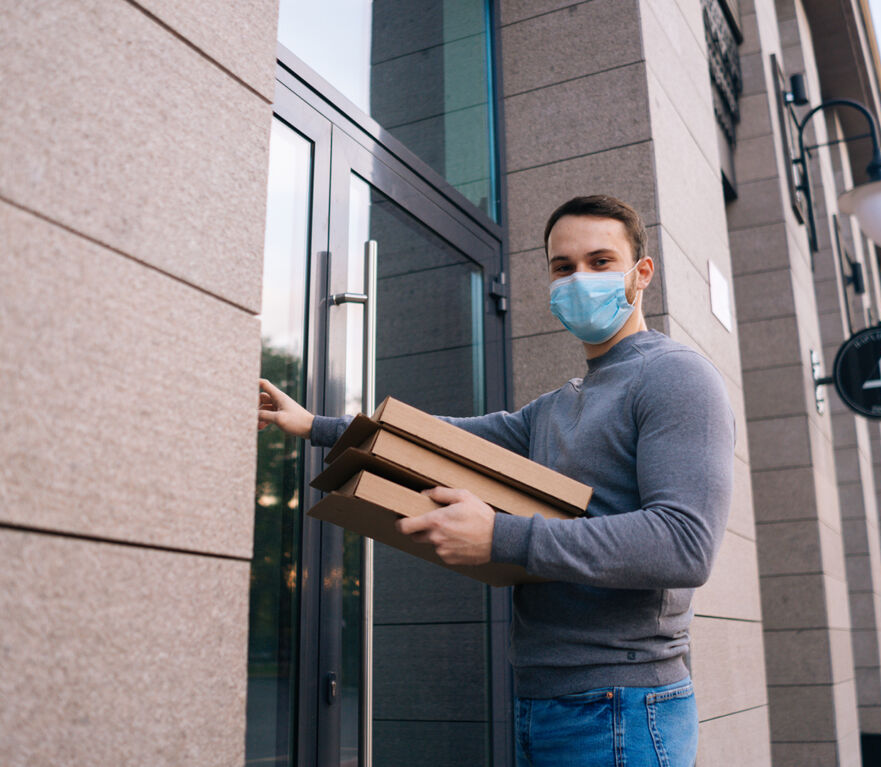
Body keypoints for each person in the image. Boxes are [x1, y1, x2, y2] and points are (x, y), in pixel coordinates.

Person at [259, 195, 735, 766]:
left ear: (642, 273)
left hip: (623, 706)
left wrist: (500, 536)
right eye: (564, 267)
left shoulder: (676, 377)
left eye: (600, 262)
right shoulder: (559, 406)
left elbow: (684, 544)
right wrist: (314, 424)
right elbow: (443, 439)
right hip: (544, 697)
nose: (579, 279)